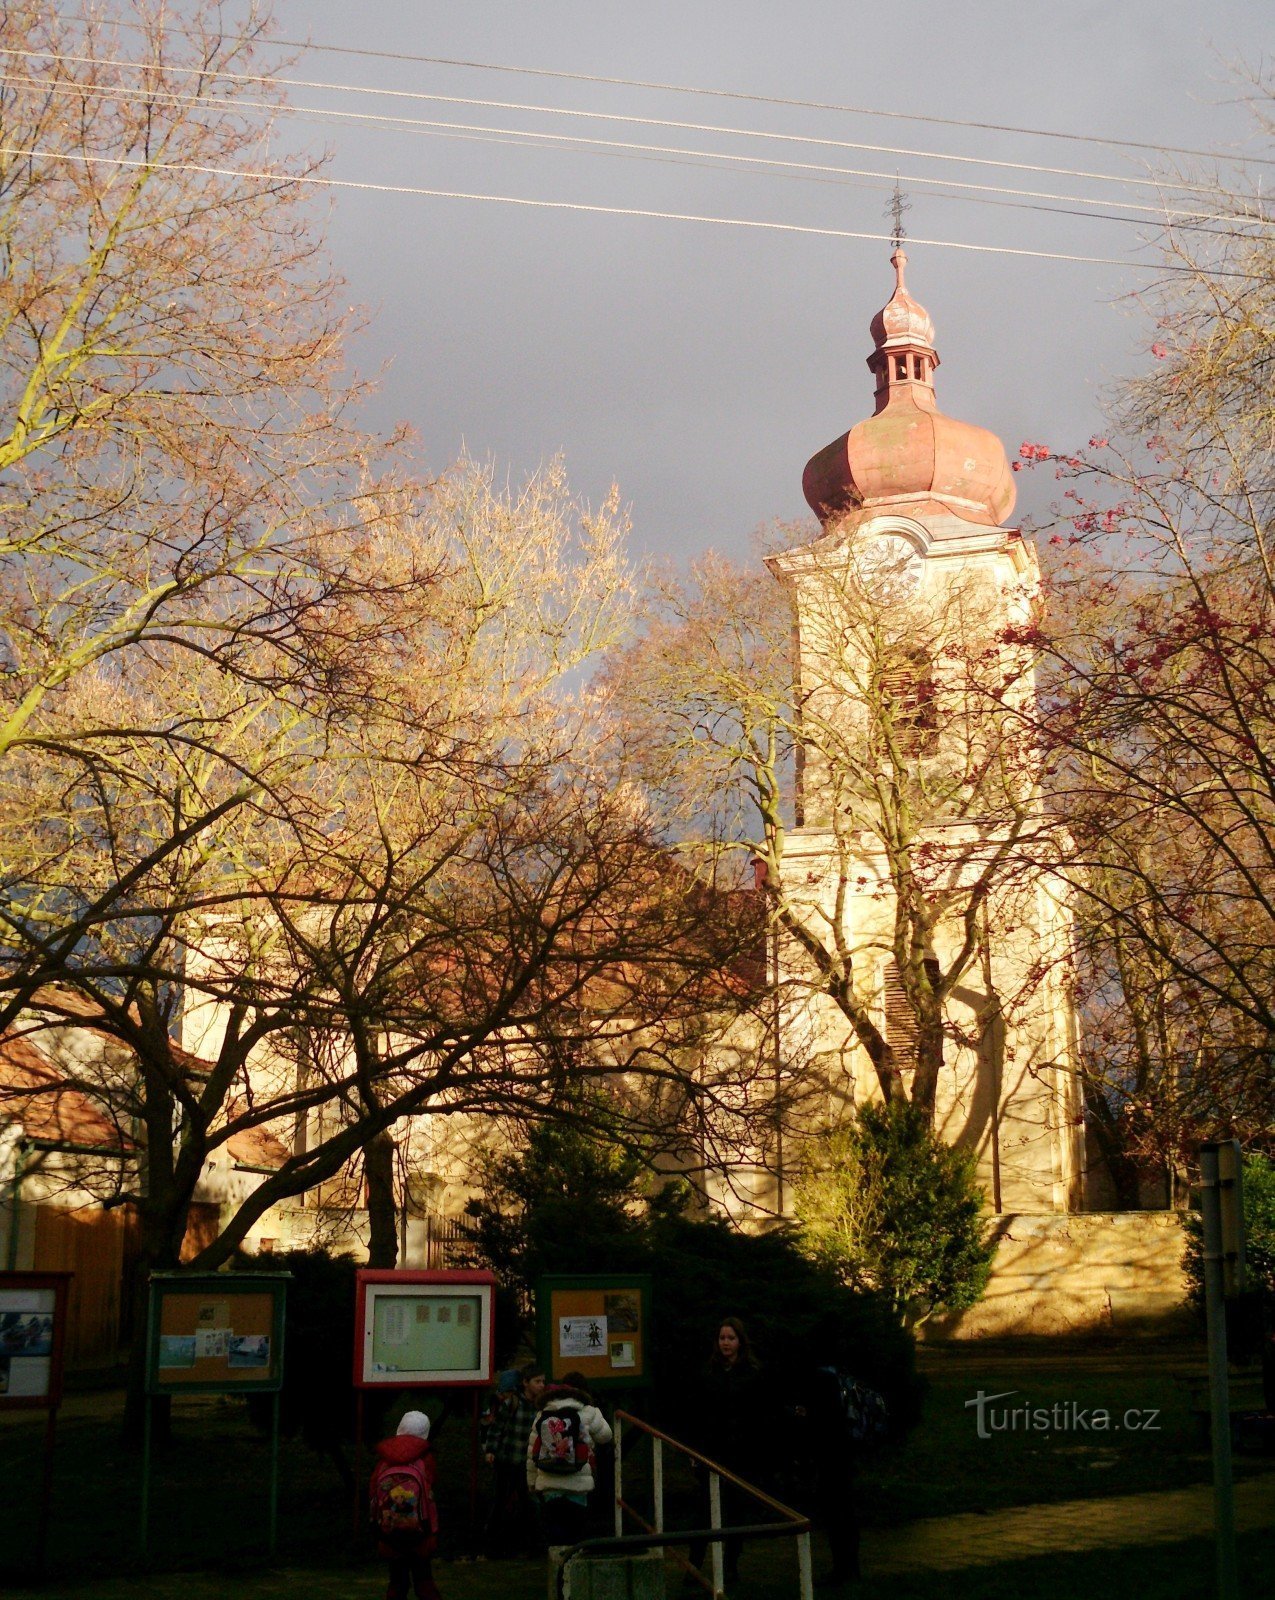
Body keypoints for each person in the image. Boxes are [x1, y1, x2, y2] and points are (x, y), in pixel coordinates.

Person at [686, 1317, 766, 1585]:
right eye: (722, 1338)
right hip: (712, 1451)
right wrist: (695, 1451)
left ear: (740, 1342)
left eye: (731, 1338)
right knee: (703, 1512)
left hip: (740, 1453)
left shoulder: (752, 1373)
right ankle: (694, 1564)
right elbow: (699, 1413)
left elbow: (758, 1415)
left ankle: (731, 1565)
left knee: (735, 1512)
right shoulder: (708, 1373)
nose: (726, 1343)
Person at [526, 1370, 613, 1552]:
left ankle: (558, 1569)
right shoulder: (588, 1411)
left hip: (549, 1484)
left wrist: (532, 1482)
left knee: (555, 1534)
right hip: (578, 1484)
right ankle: (572, 1570)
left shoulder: (543, 1413)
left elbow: (532, 1452)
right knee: (576, 1533)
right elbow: (606, 1436)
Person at [369, 1410, 441, 1600]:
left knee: (397, 1581)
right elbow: (431, 1488)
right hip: (420, 1531)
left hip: (390, 1531)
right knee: (424, 1580)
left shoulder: (385, 1459)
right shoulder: (425, 1459)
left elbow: (373, 1492)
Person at [483, 1362, 546, 1557]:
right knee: (501, 1500)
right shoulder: (513, 1403)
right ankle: (494, 1544)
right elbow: (496, 1428)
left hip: (526, 1462)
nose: (542, 1385)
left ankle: (534, 1545)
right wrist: (491, 1450)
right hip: (508, 1458)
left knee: (529, 1502)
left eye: (543, 1382)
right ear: (525, 1383)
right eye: (537, 1381)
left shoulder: (540, 1406)